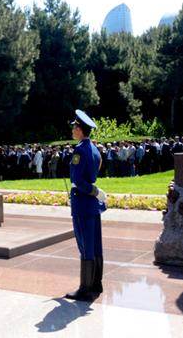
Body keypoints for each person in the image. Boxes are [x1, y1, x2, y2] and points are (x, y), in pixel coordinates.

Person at [65, 110, 107, 301]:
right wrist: (95, 192)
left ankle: (85, 288)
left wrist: (92, 191)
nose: (73, 130)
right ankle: (96, 283)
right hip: (92, 204)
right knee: (95, 245)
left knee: (85, 246)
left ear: (80, 129)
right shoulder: (94, 149)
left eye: (74, 127)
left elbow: (77, 179)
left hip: (83, 203)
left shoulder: (80, 150)